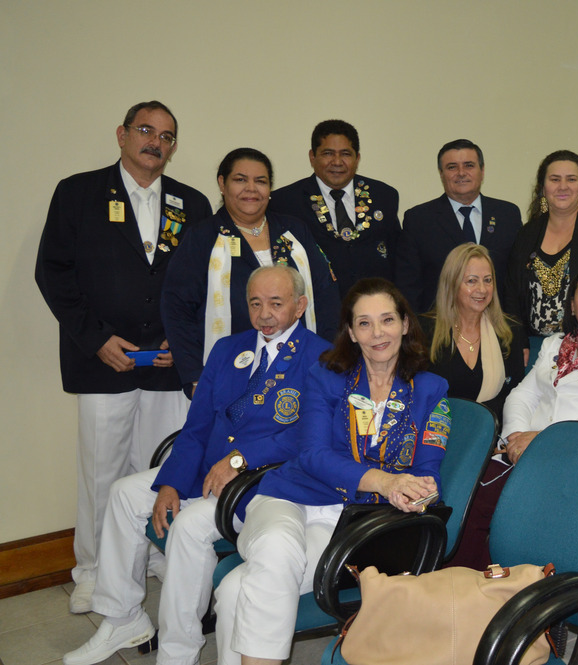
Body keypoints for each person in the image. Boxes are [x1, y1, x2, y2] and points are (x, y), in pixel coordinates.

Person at [62, 265, 330, 665]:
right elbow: (197, 426)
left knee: (189, 530)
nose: (264, 314)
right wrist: (171, 482)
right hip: (207, 469)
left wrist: (238, 460)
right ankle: (123, 617)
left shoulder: (322, 357)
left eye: (276, 303)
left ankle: (179, 649)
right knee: (124, 493)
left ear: (300, 305)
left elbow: (307, 437)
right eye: (255, 303)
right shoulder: (228, 349)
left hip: (260, 481)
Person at [213, 278, 448, 665]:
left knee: (241, 588)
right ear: (351, 333)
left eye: (387, 320)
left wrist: (419, 490)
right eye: (364, 323)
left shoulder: (431, 390)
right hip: (288, 494)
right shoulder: (325, 376)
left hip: (348, 520)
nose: (377, 334)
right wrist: (386, 482)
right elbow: (313, 455)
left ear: (405, 325)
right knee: (277, 547)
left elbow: (428, 471)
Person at [35, 100, 212, 613]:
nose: (155, 142)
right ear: (122, 134)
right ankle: (91, 571)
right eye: (145, 130)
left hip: (164, 363)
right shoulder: (78, 193)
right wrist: (96, 339)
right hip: (102, 360)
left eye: (166, 136)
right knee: (102, 475)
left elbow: (201, 284)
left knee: (159, 469)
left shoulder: (191, 202)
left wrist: (179, 345)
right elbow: (55, 273)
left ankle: (152, 556)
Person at [449, 267, 578, 570]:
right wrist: (515, 439)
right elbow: (522, 395)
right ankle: (465, 585)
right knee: (469, 493)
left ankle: (487, 589)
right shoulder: (555, 344)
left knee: (498, 503)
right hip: (525, 451)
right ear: (572, 304)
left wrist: (543, 440)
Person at [162, 148, 340, 396]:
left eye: (261, 181)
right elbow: (177, 309)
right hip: (227, 377)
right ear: (222, 184)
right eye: (240, 179)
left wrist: (327, 358)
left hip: (301, 373)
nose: (251, 189)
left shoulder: (295, 232)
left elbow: (326, 297)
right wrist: (194, 376)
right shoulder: (202, 237)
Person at [269, 119, 400, 298]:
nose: (337, 162)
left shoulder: (384, 196)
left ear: (357, 158)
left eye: (345, 154)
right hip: (316, 309)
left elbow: (398, 257)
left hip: (375, 307)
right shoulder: (285, 202)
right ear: (312, 157)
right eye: (328, 153)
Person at [505, 149, 578, 338]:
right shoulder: (527, 233)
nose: (563, 186)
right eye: (555, 179)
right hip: (533, 347)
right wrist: (518, 339)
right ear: (543, 187)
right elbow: (511, 293)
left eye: (572, 179)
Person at [397, 139, 521, 312]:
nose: (461, 173)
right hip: (440, 327)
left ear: (482, 170)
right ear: (441, 174)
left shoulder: (508, 214)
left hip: (499, 326)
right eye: (452, 167)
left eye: (469, 165)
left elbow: (516, 280)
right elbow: (409, 285)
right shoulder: (419, 220)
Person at [420, 243, 525, 421]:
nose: (482, 290)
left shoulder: (509, 331)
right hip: (436, 435)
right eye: (471, 281)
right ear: (452, 284)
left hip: (491, 436)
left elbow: (515, 397)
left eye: (488, 280)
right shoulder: (424, 331)